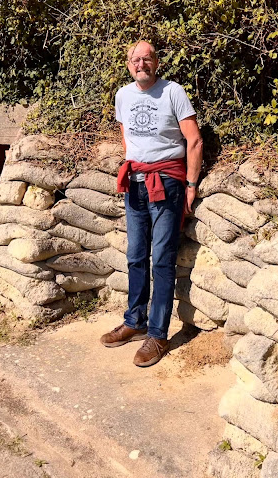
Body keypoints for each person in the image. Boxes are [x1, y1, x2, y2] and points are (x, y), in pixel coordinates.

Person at [100, 40, 203, 367]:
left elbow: (194, 139)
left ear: (157, 63)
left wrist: (190, 183)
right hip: (136, 184)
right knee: (134, 256)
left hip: (167, 183)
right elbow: (126, 137)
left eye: (147, 59)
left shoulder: (173, 92)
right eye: (135, 59)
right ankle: (135, 321)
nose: (141, 64)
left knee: (161, 259)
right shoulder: (122, 95)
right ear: (129, 65)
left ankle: (158, 335)